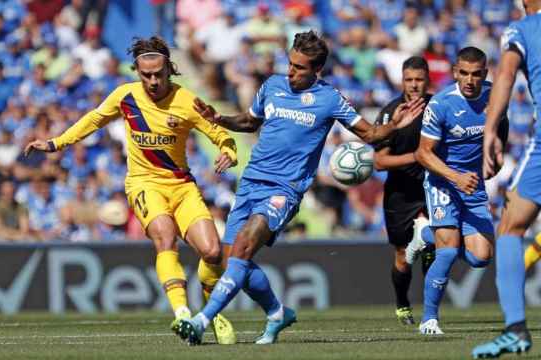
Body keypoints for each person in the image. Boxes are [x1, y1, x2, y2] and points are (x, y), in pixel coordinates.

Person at [173, 30, 424, 346]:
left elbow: (371, 135)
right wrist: (220, 118)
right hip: (251, 182)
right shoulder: (272, 86)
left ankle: (201, 320)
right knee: (232, 261)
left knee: (244, 247)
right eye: (290, 63)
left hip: (284, 190)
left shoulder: (330, 98)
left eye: (299, 67)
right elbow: (251, 122)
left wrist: (394, 126)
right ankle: (277, 313)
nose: (290, 71)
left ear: (316, 70)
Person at [24, 36, 237, 344]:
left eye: (158, 74)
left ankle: (211, 312)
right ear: (137, 71)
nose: (152, 81)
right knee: (165, 238)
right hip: (143, 184)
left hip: (182, 186)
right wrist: (56, 143)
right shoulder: (125, 97)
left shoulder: (187, 100)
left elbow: (220, 134)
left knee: (213, 252)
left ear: (170, 70)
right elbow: (94, 120)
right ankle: (182, 315)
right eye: (145, 74)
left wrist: (229, 152)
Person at [413, 47, 508, 336]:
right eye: (464, 73)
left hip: (473, 184)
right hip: (443, 181)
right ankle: (429, 320)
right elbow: (422, 154)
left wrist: (497, 151)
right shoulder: (441, 103)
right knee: (449, 251)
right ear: (455, 72)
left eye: (476, 74)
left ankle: (425, 233)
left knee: (481, 258)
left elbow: (500, 125)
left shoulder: (495, 96)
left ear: (485, 73)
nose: (469, 80)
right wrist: (455, 177)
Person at [473, 1, 541, 357]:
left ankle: (515, 328)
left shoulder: (521, 29)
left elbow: (504, 74)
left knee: (511, 229)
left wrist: (490, 131)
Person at [373, 56, 435, 325]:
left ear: (427, 80)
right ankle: (402, 304)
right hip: (400, 192)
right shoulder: (390, 113)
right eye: (409, 80)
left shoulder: (439, 107)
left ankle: (432, 311)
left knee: (436, 246)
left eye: (419, 80)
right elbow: (379, 162)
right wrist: (416, 157)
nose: (413, 85)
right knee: (402, 255)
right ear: (402, 80)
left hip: (432, 189)